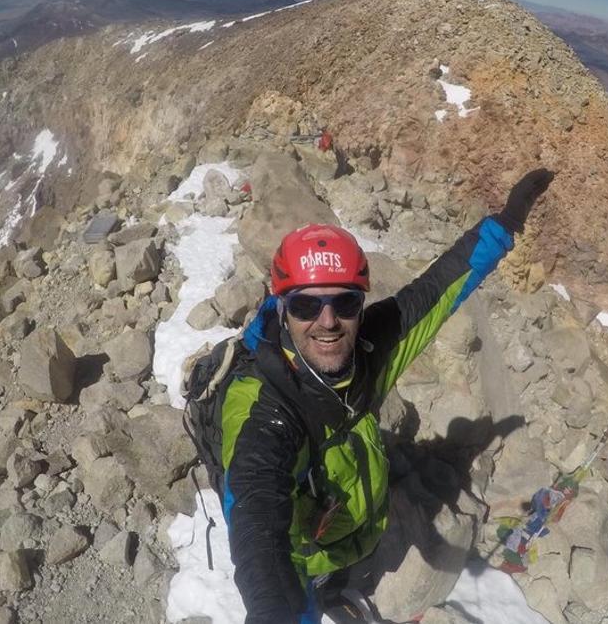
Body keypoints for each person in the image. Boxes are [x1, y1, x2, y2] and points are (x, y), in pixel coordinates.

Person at [220, 169, 555, 623]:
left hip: (350, 525)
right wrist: (273, 611)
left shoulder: (369, 352)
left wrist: (506, 224)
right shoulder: (265, 407)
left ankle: (339, 580)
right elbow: (256, 511)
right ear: (281, 308)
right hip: (300, 557)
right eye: (304, 305)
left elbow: (439, 288)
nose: (327, 321)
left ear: (361, 305)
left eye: (345, 303)